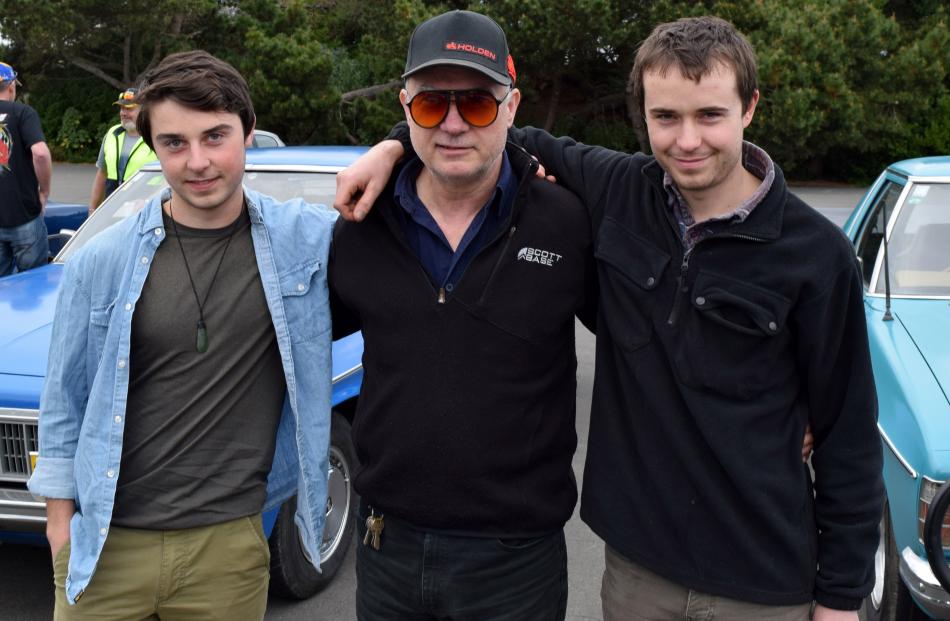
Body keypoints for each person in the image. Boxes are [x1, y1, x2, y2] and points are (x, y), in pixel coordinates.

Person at [336, 14, 882, 621]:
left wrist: (840, 597)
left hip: (763, 580)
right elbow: (466, 125)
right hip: (637, 572)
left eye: (710, 115)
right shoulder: (618, 191)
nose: (687, 139)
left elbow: (849, 437)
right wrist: (389, 145)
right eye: (666, 117)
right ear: (642, 114)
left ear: (749, 108)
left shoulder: (817, 255)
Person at [27, 50, 335, 620]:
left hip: (228, 551)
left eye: (215, 136)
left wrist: (390, 148)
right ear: (152, 147)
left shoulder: (305, 243)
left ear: (248, 131)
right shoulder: (101, 260)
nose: (198, 161)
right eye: (174, 143)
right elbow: (63, 401)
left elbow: (418, 200)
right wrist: (59, 529)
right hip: (105, 548)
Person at [328, 10, 596, 620]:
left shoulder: (565, 219)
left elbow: (644, 337)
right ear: (405, 104)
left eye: (476, 103)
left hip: (515, 560)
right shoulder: (361, 225)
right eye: (430, 105)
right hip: (387, 546)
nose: (452, 124)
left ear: (511, 106)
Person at [0, 61, 52, 276]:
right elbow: (40, 153)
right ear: (11, 86)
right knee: (33, 285)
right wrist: (44, 191)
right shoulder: (23, 112)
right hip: (24, 216)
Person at [88, 87, 156, 212]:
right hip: (112, 209)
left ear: (143, 110)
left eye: (129, 109)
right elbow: (102, 173)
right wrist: (93, 209)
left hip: (145, 211)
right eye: (121, 108)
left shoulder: (155, 136)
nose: (123, 113)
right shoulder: (112, 133)